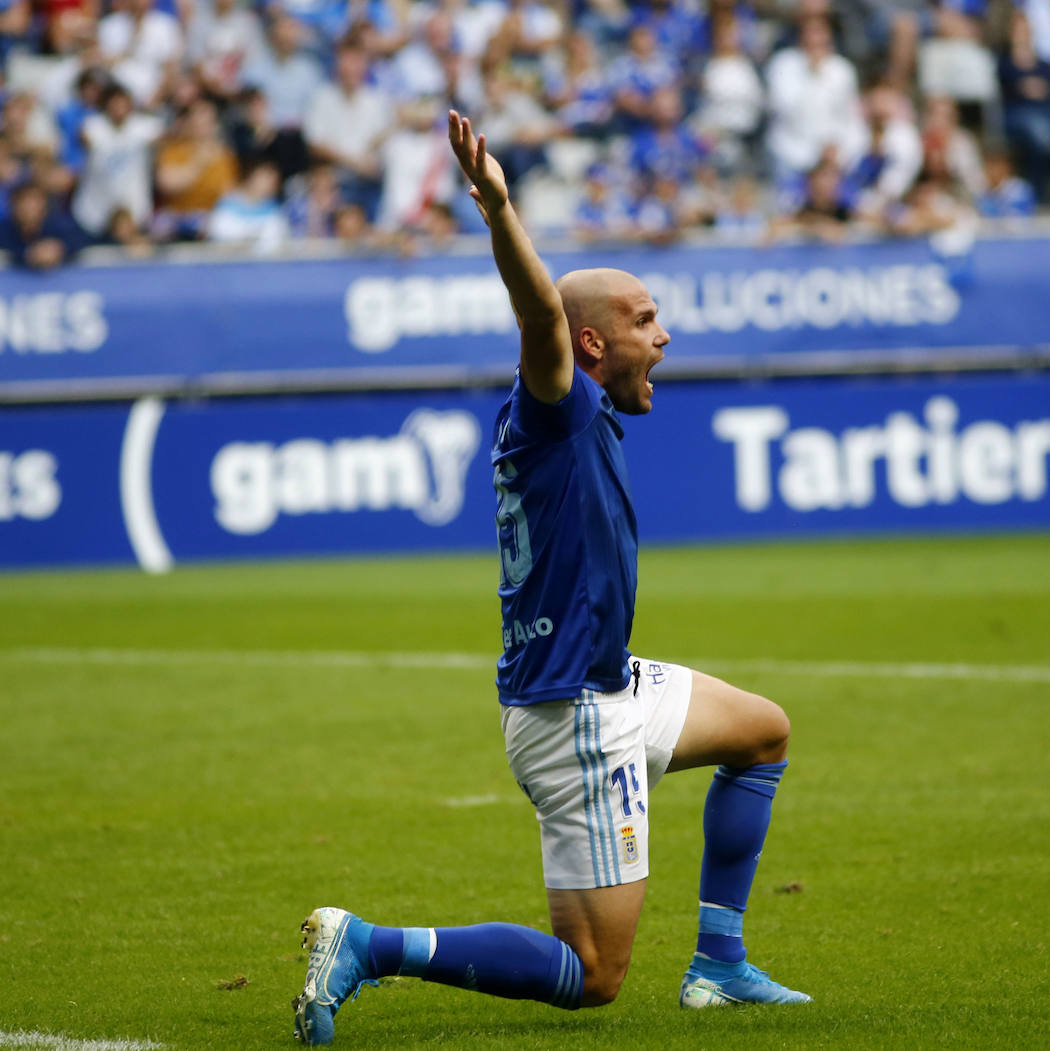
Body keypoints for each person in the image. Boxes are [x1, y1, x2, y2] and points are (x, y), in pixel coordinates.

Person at [291, 110, 811, 1046]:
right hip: (574, 712)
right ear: (593, 346)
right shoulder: (559, 405)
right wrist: (500, 212)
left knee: (762, 733)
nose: (666, 335)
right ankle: (369, 942)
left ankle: (721, 965)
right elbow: (540, 314)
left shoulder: (579, 421)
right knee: (593, 976)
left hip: (606, 683)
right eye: (646, 320)